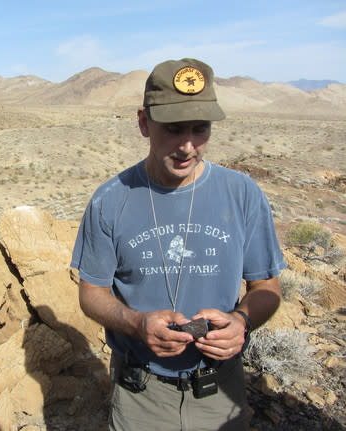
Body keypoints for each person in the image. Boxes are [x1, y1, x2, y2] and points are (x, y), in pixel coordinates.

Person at [70, 58, 286, 431]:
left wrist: (241, 321)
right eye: (172, 129)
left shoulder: (242, 194)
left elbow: (266, 287)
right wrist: (138, 323)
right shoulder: (110, 200)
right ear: (144, 122)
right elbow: (92, 293)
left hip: (221, 391)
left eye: (200, 129)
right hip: (140, 395)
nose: (187, 146)